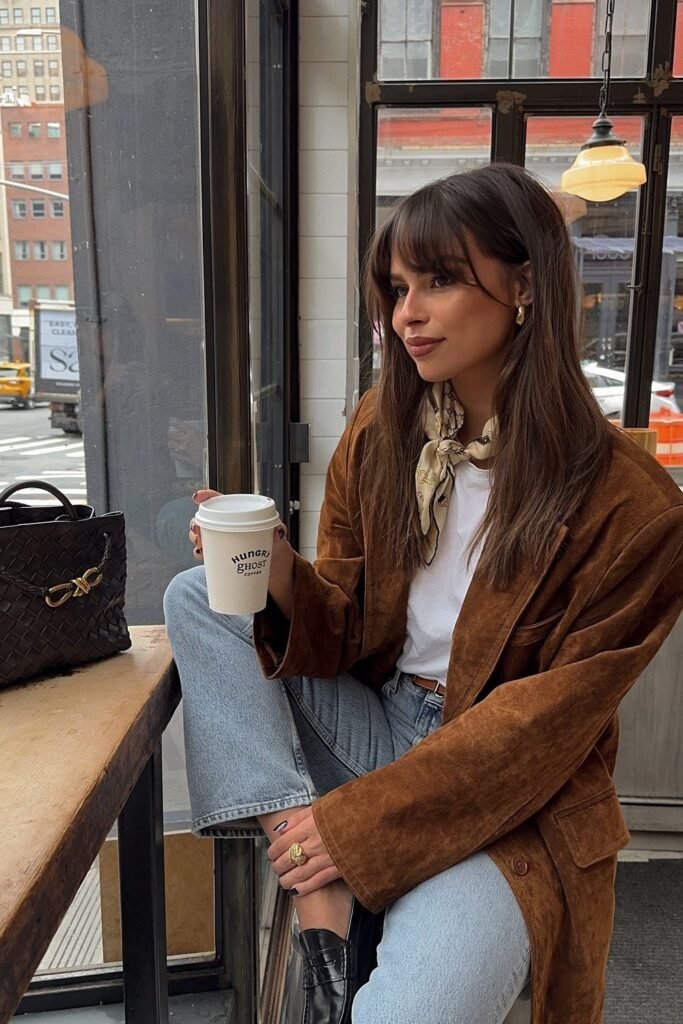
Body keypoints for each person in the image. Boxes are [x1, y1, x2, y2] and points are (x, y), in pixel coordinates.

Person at [163, 163, 683, 1024]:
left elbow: (540, 730)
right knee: (198, 597)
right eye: (397, 286)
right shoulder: (384, 429)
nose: (406, 311)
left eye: (439, 280)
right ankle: (316, 892)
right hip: (379, 722)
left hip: (513, 799)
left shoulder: (633, 508)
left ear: (523, 284)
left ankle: (322, 857)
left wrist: (356, 828)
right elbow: (341, 627)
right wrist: (281, 571)